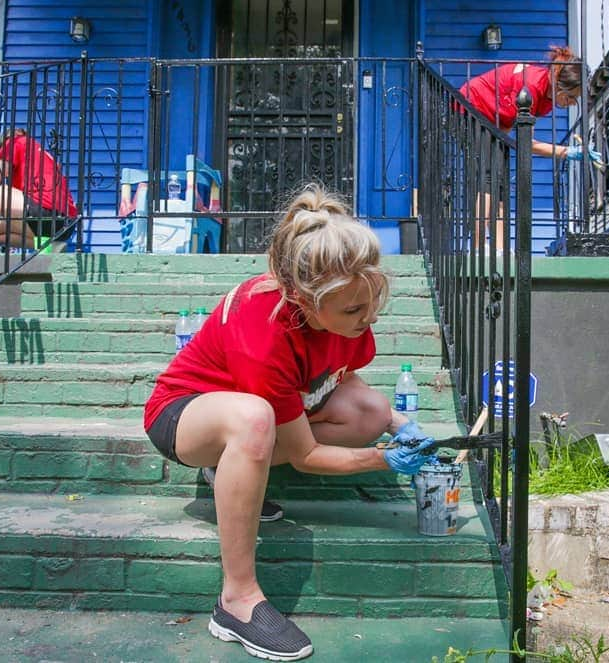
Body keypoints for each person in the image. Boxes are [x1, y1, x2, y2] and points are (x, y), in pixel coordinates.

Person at [142, 184, 435, 661]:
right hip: (184, 414)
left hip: (256, 412)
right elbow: (305, 456)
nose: (369, 317)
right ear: (303, 298)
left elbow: (344, 379)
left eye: (372, 301)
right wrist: (385, 460)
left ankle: (230, 476)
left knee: (372, 409)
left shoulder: (346, 310)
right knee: (254, 418)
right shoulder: (263, 324)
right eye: (354, 310)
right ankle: (235, 602)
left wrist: (397, 422)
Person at [459, 46, 603, 252]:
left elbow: (516, 130)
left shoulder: (547, 96)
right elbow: (526, 142)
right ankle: (477, 248)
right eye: (571, 97)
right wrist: (567, 152)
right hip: (470, 109)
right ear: (560, 87)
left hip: (493, 121)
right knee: (488, 179)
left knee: (499, 186)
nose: (572, 104)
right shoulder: (533, 88)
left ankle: (499, 250)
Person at [0, 128, 78, 253]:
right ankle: (50, 245)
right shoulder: (39, 154)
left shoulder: (14, 143)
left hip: (43, 212)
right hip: (65, 226)